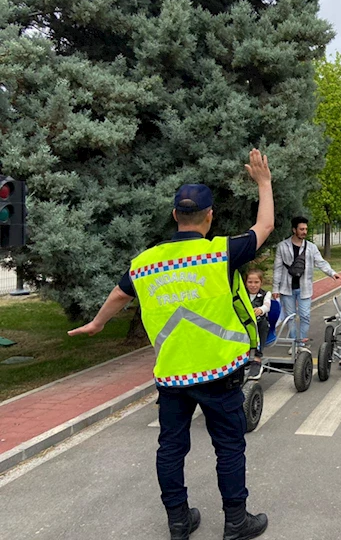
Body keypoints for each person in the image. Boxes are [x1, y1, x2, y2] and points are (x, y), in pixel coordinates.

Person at [68, 149, 274, 540]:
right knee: (229, 447)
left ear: (175, 216)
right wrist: (263, 183)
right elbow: (264, 225)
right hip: (219, 371)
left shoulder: (146, 263)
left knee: (171, 448)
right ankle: (236, 521)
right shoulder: (220, 252)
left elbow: (118, 295)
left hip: (172, 375)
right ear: (209, 216)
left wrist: (97, 324)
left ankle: (179, 521)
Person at [272, 216, 341, 345]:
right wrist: (275, 288)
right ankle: (294, 343)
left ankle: (301, 342)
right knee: (290, 317)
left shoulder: (311, 247)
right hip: (287, 288)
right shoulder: (282, 246)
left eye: (306, 229)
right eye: (301, 229)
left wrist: (332, 273)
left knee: (305, 316)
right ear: (294, 230)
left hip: (305, 288)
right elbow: (277, 268)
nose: (304, 231)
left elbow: (321, 262)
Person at [244, 268, 281, 381]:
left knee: (262, 323)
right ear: (245, 283)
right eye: (250, 282)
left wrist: (261, 310)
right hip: (245, 325)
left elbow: (267, 305)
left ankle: (257, 357)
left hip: (260, 325)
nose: (253, 285)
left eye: (256, 282)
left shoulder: (266, 294)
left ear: (261, 283)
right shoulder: (241, 294)